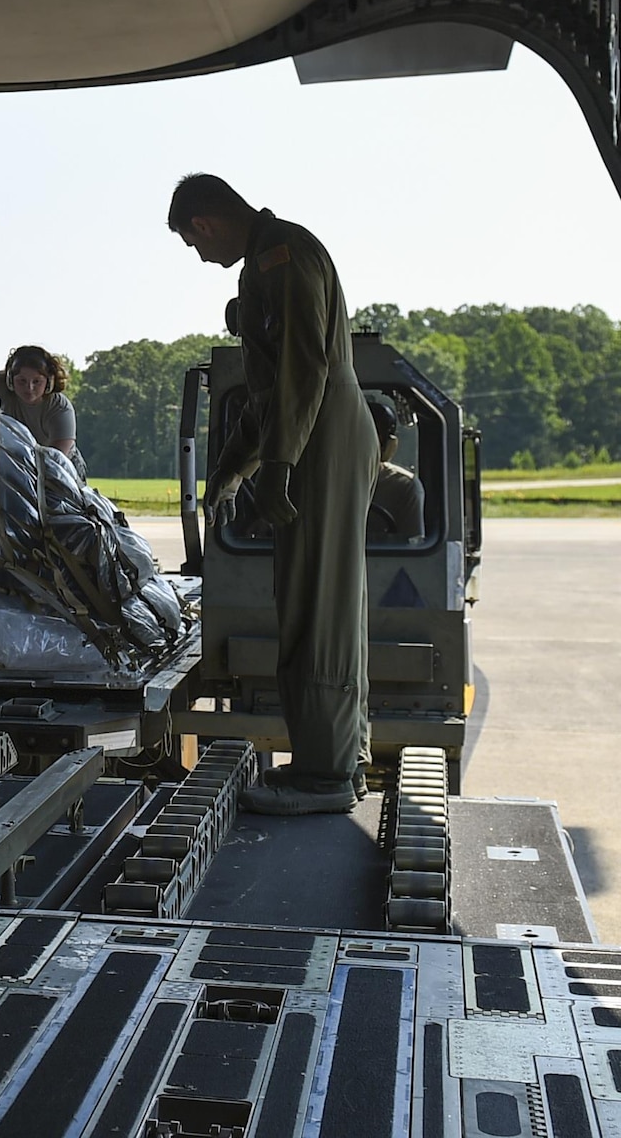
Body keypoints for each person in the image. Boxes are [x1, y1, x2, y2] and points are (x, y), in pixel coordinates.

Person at [170, 173, 378, 816]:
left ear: (205, 223)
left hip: (319, 438)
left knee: (317, 606)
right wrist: (231, 468)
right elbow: (269, 388)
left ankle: (325, 775)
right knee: (320, 601)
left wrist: (280, 464)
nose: (199, 257)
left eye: (191, 244)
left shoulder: (280, 255)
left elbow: (301, 368)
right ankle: (341, 757)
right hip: (314, 433)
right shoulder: (266, 259)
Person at [0, 345, 87, 476]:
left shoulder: (59, 407)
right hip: (18, 462)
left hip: (64, 468)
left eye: (36, 381)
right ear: (10, 380)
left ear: (49, 382)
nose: (29, 388)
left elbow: (56, 458)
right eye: (22, 381)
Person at [368, 400, 425, 543]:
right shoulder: (323, 481)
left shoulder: (404, 486)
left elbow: (412, 543)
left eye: (375, 435)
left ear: (388, 443)